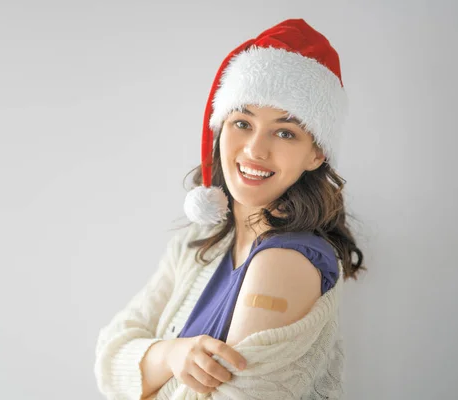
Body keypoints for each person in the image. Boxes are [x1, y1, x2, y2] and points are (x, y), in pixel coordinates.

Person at [94, 18, 366, 399]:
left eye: (285, 132)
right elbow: (109, 357)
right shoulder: (199, 241)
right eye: (242, 122)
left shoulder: (284, 262)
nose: (255, 149)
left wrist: (149, 374)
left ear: (316, 153)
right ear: (221, 128)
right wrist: (173, 354)